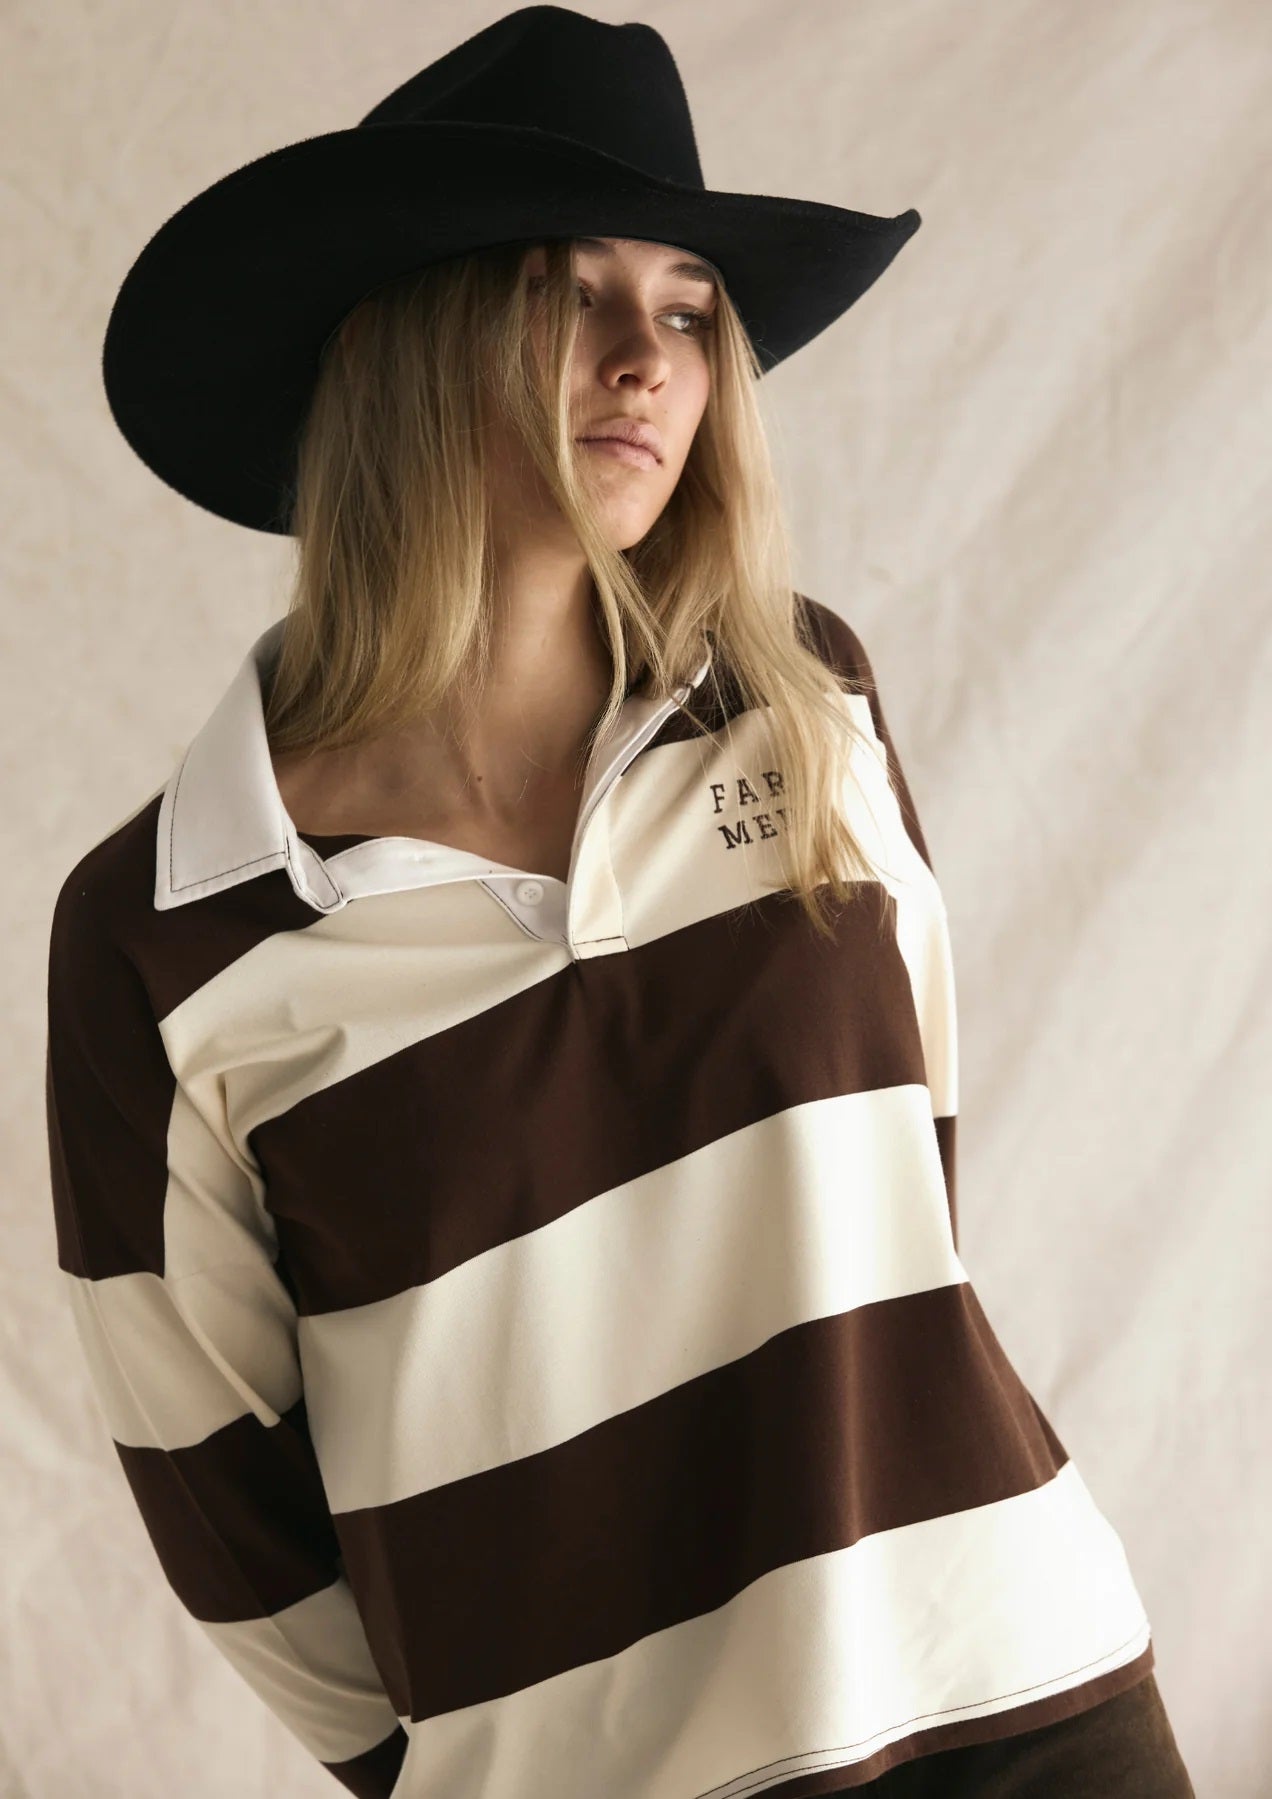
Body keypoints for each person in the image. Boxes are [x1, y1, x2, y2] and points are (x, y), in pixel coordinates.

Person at [43, 8, 1194, 1796]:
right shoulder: (165, 928)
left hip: (1028, 1704)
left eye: (683, 307)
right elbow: (221, 1494)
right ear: (411, 338)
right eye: (568, 293)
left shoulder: (811, 704)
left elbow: (900, 1182)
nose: (644, 359)